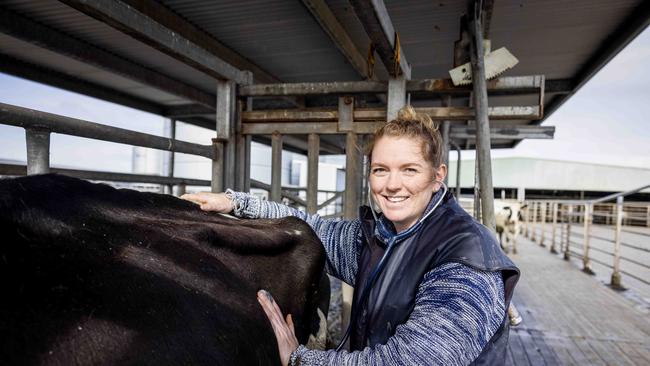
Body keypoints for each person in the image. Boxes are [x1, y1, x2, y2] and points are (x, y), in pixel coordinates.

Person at [181, 105, 520, 366]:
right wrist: (236, 203)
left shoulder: (465, 259)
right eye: (380, 170)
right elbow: (310, 228)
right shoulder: (381, 238)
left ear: (437, 176)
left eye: (410, 170)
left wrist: (301, 358)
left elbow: (410, 361)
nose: (392, 185)